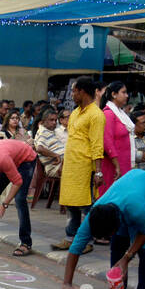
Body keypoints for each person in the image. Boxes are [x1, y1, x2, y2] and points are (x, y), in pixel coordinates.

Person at [51, 77, 105, 252]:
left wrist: (98, 172)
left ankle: (87, 241)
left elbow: (97, 144)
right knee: (71, 203)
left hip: (85, 167)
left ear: (82, 92)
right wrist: (62, 164)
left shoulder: (96, 115)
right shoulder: (74, 112)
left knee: (86, 206)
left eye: (74, 91)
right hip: (71, 166)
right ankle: (70, 237)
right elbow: (71, 141)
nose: (72, 94)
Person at [99, 81, 134, 198]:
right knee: (110, 197)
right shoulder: (109, 114)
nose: (127, 95)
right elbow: (107, 141)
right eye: (123, 92)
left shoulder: (120, 113)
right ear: (114, 94)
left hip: (123, 163)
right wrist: (117, 165)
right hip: (113, 165)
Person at [28, 107, 65, 205]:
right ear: (44, 121)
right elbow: (39, 148)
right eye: (51, 120)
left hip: (62, 163)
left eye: (55, 120)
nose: (54, 122)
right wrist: (56, 155)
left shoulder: (51, 131)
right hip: (55, 167)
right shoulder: (43, 132)